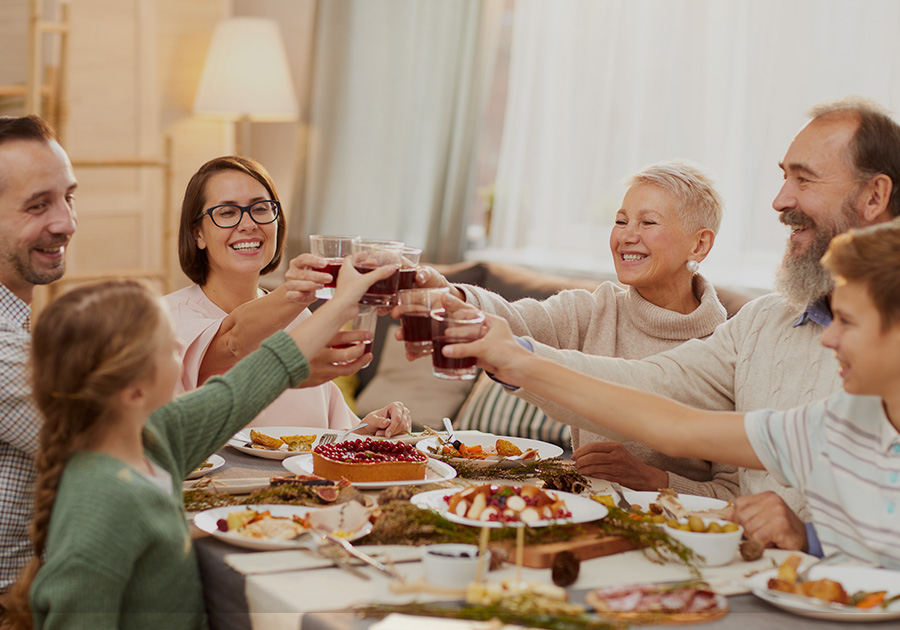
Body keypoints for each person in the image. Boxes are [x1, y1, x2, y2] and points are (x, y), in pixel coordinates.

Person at [428, 97, 900, 552]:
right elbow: (663, 405)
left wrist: (812, 540)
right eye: (783, 177)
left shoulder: (835, 407)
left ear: (876, 195)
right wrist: (508, 353)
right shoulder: (768, 334)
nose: (779, 200)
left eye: (805, 178)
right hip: (752, 576)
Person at [447, 218, 900, 569]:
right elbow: (671, 423)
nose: (826, 338)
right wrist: (519, 361)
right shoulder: (832, 423)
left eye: (849, 322)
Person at [7, 261, 397, 629]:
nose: (183, 353)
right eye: (170, 347)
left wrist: (342, 301)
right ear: (133, 390)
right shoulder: (104, 500)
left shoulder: (154, 439)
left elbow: (249, 381)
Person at [412, 161, 737, 499]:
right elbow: (515, 321)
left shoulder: (729, 348)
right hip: (582, 512)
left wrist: (655, 480)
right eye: (621, 221)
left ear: (699, 245)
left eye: (648, 222)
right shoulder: (592, 309)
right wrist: (455, 297)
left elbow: (736, 493)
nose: (626, 235)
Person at [166, 155, 409, 435]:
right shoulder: (168, 319)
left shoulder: (300, 320)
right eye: (227, 212)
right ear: (198, 234)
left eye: (261, 208)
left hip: (304, 479)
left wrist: (376, 425)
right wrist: (306, 292)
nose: (248, 224)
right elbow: (233, 340)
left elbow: (330, 437)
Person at [0, 115, 77, 620]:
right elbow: (134, 445)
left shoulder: (24, 328)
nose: (66, 222)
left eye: (69, 196)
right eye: (37, 205)